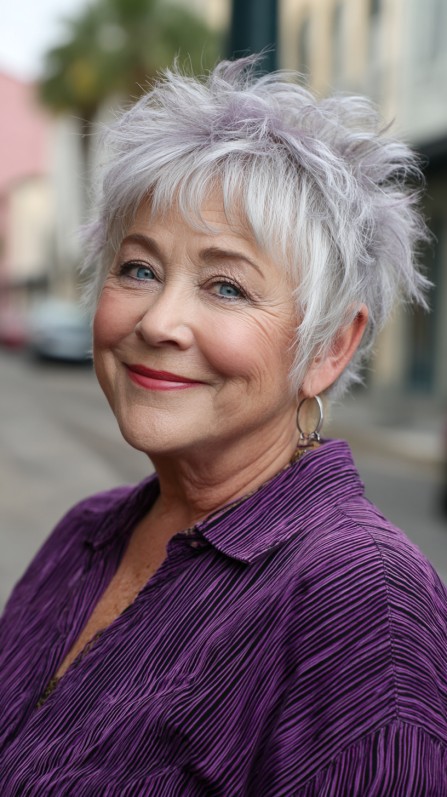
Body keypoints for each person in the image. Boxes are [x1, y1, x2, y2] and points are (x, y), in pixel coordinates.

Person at [0, 56, 446, 795]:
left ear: (329, 346)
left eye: (226, 285)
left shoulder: (361, 599)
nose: (159, 321)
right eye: (138, 269)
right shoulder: (88, 532)